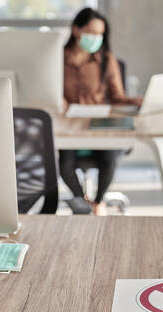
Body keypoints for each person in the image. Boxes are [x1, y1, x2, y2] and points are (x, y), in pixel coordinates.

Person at [60, 8, 142, 216]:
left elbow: (117, 97)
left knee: (109, 156)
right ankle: (82, 202)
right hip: (69, 126)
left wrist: (140, 101)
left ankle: (98, 202)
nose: (96, 38)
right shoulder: (57, 59)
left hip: (98, 124)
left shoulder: (106, 60)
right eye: (91, 32)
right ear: (77, 30)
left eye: (100, 34)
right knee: (65, 163)